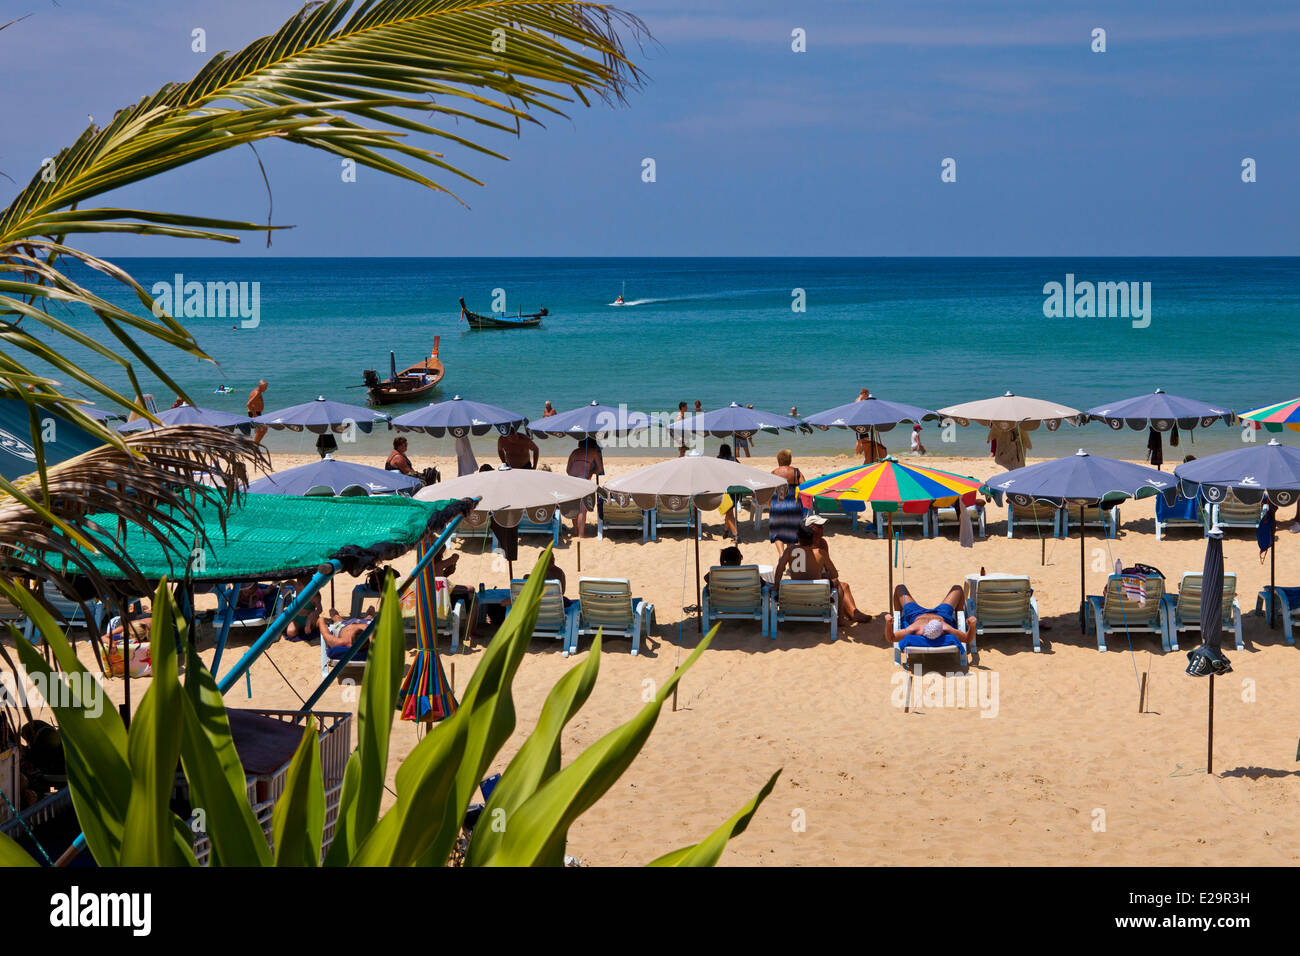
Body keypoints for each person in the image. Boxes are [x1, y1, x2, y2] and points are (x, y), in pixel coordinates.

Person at [803, 515, 871, 623]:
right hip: (811, 584)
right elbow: (807, 572)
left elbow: (827, 567)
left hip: (818, 581)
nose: (823, 528)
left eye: (823, 526)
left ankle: (854, 613)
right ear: (811, 528)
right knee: (840, 585)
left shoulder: (822, 543)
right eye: (820, 526)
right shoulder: (804, 545)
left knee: (844, 586)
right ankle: (848, 615)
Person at [891, 582, 976, 645]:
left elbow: (891, 638)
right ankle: (958, 621)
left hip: (916, 614)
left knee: (900, 588)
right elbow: (967, 638)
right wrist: (972, 625)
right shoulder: (945, 627)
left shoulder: (915, 628)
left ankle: (898, 620)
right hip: (942, 614)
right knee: (957, 589)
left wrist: (888, 623)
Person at [768, 449, 805, 554]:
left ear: (778, 460)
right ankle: (789, 555)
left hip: (777, 505)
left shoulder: (774, 473)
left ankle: (781, 555)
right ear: (790, 460)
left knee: (777, 531)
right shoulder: (796, 472)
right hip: (793, 505)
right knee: (793, 532)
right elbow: (804, 488)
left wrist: (770, 504)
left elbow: (770, 491)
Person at [565, 437, 603, 538]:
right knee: (582, 509)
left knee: (574, 507)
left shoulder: (574, 452)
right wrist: (591, 472)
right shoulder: (594, 452)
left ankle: (575, 531)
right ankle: (581, 535)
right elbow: (600, 469)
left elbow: (568, 470)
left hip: (571, 480)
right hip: (583, 480)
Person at [247, 379, 268, 444]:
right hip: (255, 413)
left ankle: (255, 445)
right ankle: (255, 445)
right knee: (263, 429)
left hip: (255, 412)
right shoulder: (257, 393)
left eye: (266, 387)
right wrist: (255, 414)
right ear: (260, 386)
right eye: (265, 387)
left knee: (259, 431)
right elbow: (248, 404)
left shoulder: (255, 391)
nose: (266, 389)